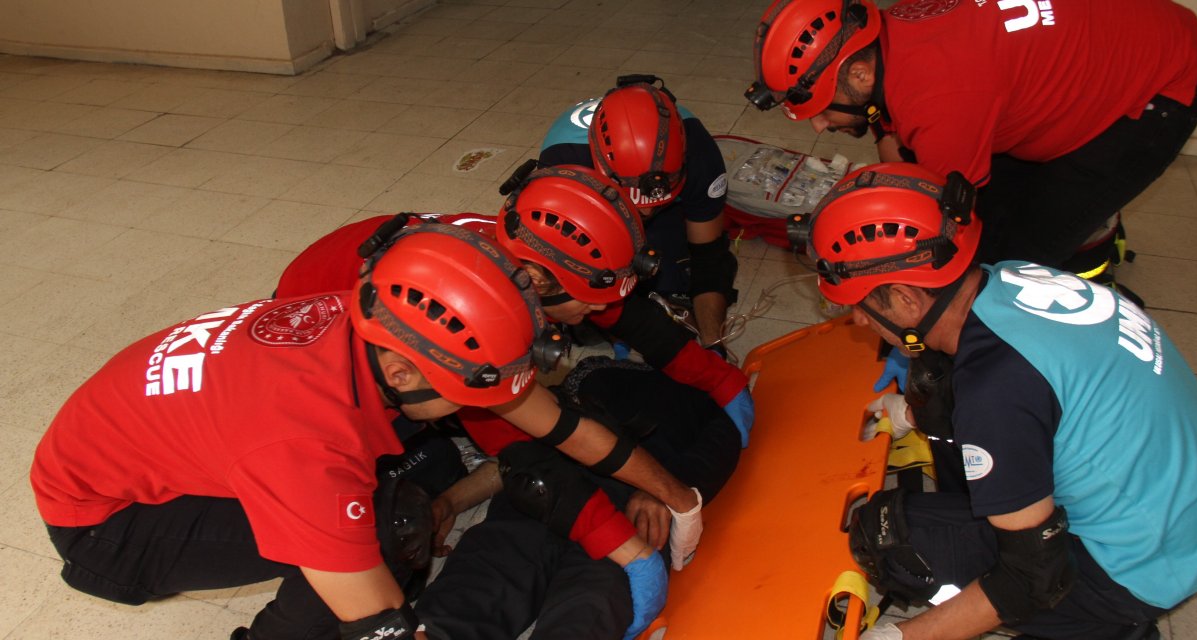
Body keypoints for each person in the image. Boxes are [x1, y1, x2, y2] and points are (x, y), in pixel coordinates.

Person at [30, 223, 701, 640]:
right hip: (110, 523)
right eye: (473, 395)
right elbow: (381, 625)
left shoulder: (377, 318)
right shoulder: (307, 444)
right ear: (407, 374)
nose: (494, 411)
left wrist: (678, 497)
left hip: (144, 446)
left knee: (393, 510)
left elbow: (555, 424)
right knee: (386, 531)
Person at [789, 162, 1197, 640]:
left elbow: (1031, 577)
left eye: (857, 305)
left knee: (888, 535)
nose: (858, 322)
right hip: (1193, 522)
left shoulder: (997, 389)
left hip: (1142, 569)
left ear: (904, 300)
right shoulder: (1013, 278)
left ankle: (1102, 626)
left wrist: (904, 637)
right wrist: (914, 414)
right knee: (942, 391)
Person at [274, 168, 754, 449]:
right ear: (540, 282)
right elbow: (501, 421)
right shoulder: (487, 305)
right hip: (323, 321)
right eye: (588, 306)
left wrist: (723, 383)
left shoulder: (537, 257)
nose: (598, 314)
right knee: (402, 434)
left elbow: (641, 325)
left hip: (377, 282)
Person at [747, 0, 1197, 276]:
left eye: (822, 108)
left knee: (1009, 258)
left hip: (1160, 85)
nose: (819, 125)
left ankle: (1089, 230)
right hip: (1126, 37)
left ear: (861, 73)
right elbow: (895, 137)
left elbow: (948, 231)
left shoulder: (942, 101)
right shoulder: (899, 24)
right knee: (1002, 188)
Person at [419, 356, 741, 640]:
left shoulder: (701, 397)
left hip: (624, 502)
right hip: (545, 490)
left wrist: (663, 491)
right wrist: (452, 502)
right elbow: (516, 454)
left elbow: (722, 442)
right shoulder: (593, 371)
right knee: (489, 571)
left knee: (591, 600)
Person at [539, 75, 738, 349]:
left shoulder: (700, 153)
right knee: (583, 307)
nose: (647, 212)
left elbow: (709, 257)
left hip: (672, 213)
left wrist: (714, 342)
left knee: (676, 278)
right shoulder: (564, 166)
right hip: (592, 210)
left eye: (654, 203)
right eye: (636, 204)